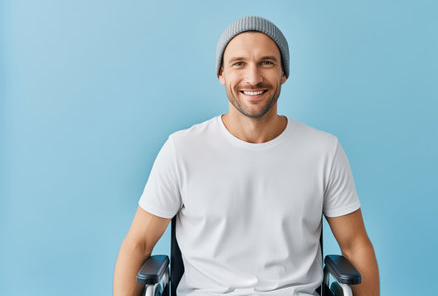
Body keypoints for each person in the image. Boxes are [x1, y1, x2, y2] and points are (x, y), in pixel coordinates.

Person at [113, 16, 379, 296]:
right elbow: (138, 245)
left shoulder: (324, 151)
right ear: (221, 74)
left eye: (267, 62)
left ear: (283, 74)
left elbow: (355, 245)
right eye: (239, 63)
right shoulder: (182, 150)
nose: (253, 78)